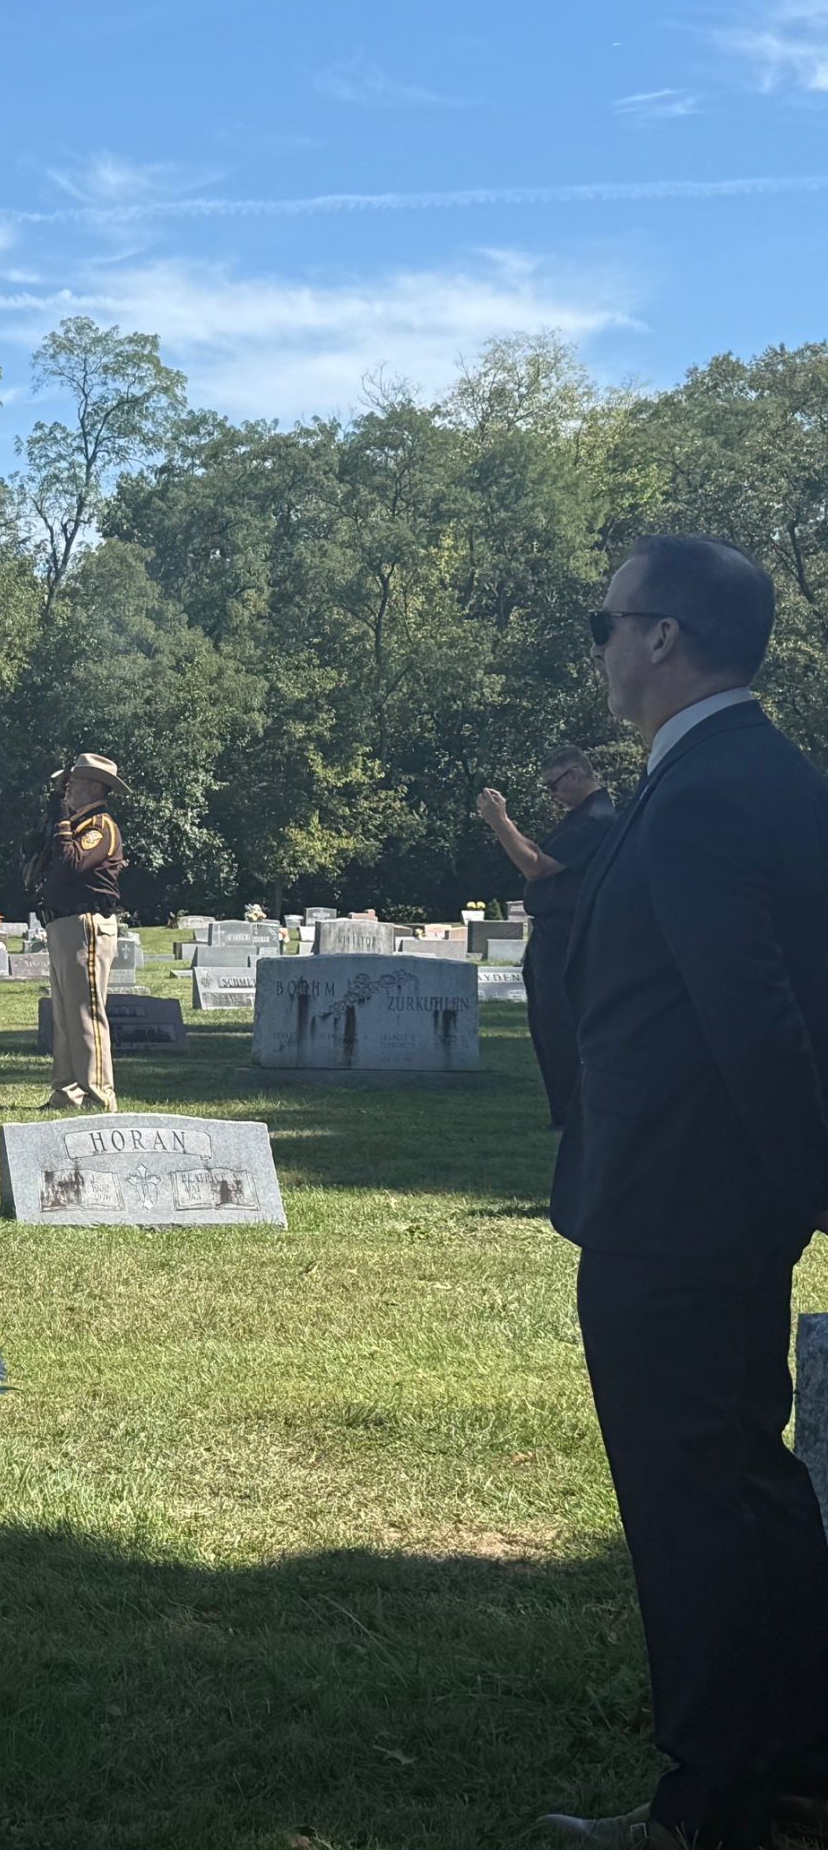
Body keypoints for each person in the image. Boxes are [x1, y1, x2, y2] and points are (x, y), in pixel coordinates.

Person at [540, 537, 828, 1850]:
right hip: (708, 1203)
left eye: (604, 622)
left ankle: (712, 1804)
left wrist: (799, 1187)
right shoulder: (752, 773)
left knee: (693, 1509)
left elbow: (754, 1018)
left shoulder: (709, 789)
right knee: (745, 1493)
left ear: (662, 637)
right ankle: (791, 1767)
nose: (598, 645)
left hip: (679, 1210)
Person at [476, 747, 617, 1128]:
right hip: (551, 933)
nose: (552, 795)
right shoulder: (578, 818)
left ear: (575, 774)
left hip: (569, 934)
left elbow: (536, 866)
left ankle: (575, 1117)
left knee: (561, 1026)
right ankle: (565, 1112)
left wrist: (499, 821)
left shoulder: (597, 819)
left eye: (553, 786)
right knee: (546, 1026)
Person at [28, 753, 126, 1113]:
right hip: (63, 923)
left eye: (75, 783)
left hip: (86, 924)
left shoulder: (99, 826)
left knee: (85, 1012)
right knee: (66, 1015)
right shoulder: (74, 824)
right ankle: (67, 1092)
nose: (67, 789)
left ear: (96, 788)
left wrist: (60, 818)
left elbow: (71, 864)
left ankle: (98, 1094)